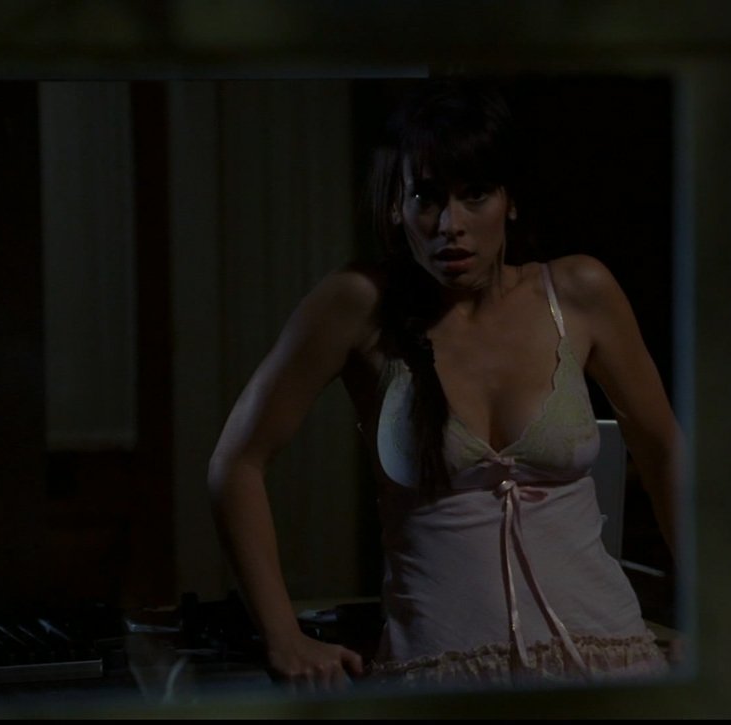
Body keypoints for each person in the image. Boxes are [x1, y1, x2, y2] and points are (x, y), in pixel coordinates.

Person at [208, 80, 683, 690]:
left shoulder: (577, 291)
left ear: (509, 200)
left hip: (606, 662)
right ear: (395, 208)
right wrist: (282, 635)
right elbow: (235, 465)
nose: (450, 225)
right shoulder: (356, 304)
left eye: (475, 195)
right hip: (440, 676)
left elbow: (663, 449)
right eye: (426, 198)